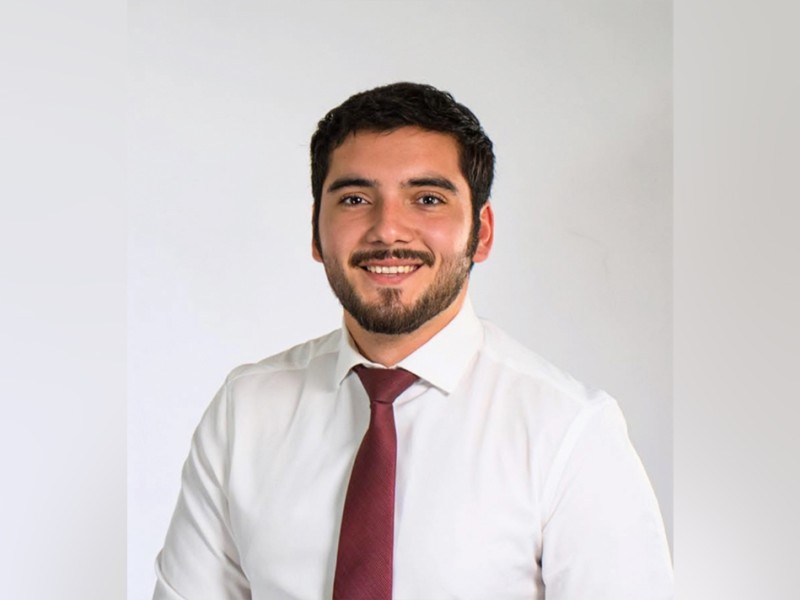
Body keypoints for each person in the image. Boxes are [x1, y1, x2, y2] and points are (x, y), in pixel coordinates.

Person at [153, 82, 673, 599]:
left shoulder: (569, 432)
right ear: (316, 233)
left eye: (427, 199)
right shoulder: (244, 411)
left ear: (482, 233)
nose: (388, 230)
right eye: (356, 198)